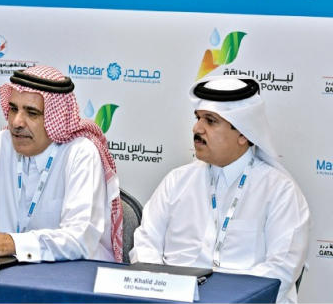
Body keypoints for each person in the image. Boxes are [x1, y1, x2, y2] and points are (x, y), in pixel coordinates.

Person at [130, 76, 310, 303]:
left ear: (244, 133)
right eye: (198, 118)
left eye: (210, 121)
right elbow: (146, 243)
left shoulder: (280, 192)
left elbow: (280, 270)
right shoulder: (176, 182)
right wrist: (160, 289)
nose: (197, 128)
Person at [0, 65, 123, 263]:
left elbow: (80, 239)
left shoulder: (80, 153)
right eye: (13, 109)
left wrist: (12, 243)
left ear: (55, 117)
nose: (16, 122)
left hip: (67, 275)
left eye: (32, 113)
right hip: (0, 275)